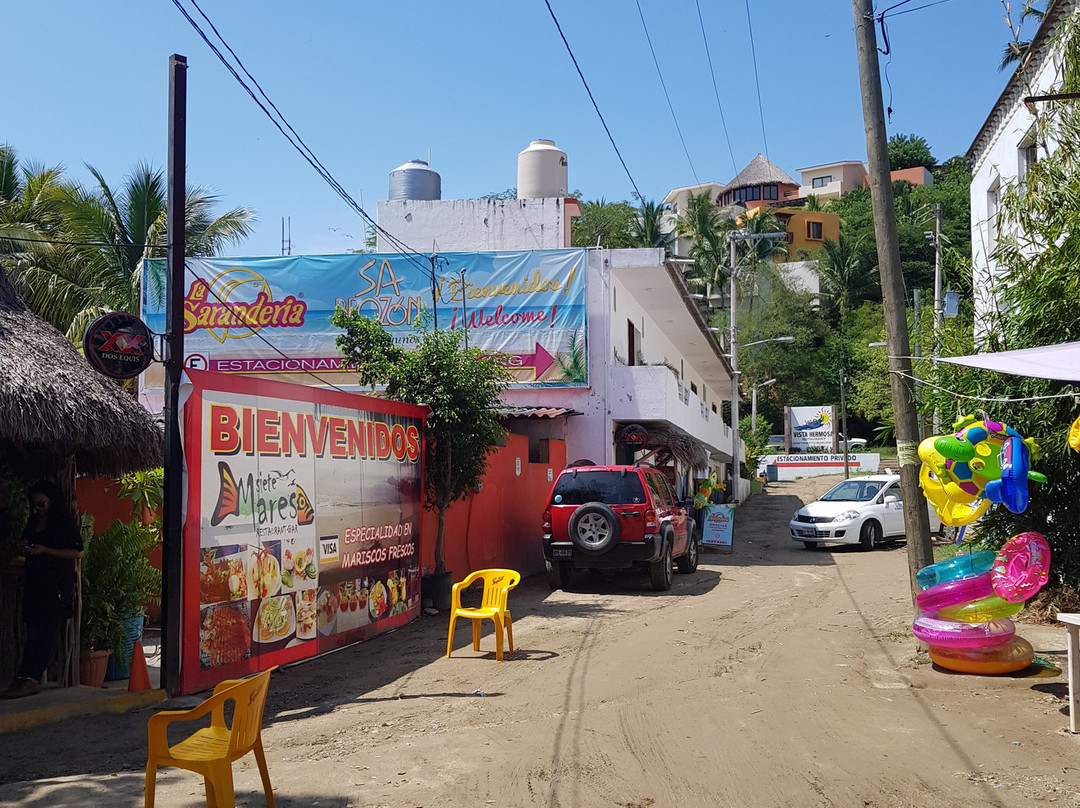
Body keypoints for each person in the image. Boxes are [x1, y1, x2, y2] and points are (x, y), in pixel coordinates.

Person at [2, 480, 83, 699]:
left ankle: (33, 677)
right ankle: (24, 676)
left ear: (52, 501)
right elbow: (26, 539)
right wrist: (23, 547)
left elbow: (77, 552)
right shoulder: (33, 520)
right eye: (34, 504)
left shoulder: (63, 521)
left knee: (47, 632)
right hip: (35, 582)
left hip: (55, 585)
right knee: (33, 632)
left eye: (42, 504)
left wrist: (46, 550)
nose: (37, 508)